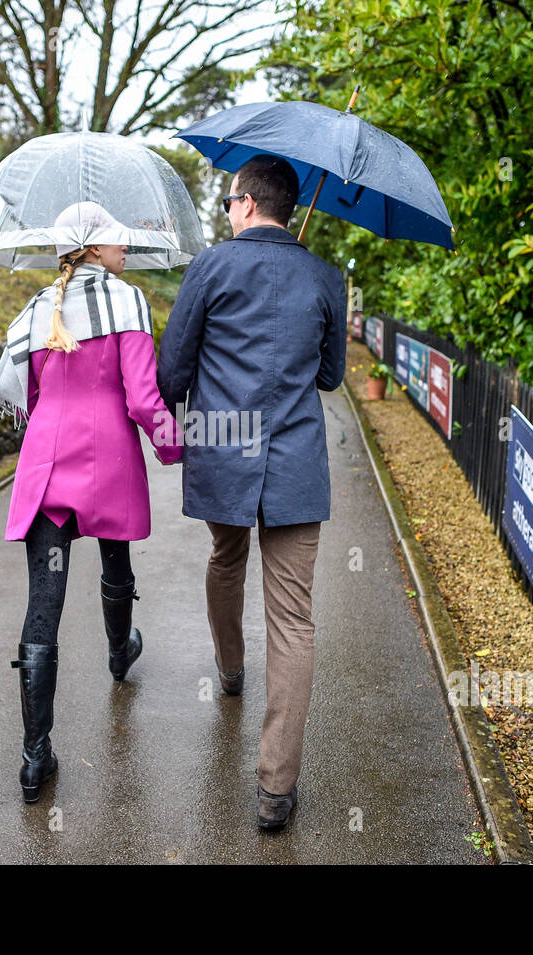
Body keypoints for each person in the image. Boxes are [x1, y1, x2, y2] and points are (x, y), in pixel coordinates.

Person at [156, 155, 346, 830]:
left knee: (225, 559)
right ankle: (275, 790)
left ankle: (230, 667)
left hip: (223, 455)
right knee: (294, 619)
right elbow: (329, 376)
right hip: (295, 465)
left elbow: (172, 365)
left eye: (229, 201)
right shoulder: (327, 276)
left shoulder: (210, 266)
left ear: (243, 204)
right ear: (288, 209)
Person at [0, 200, 182, 803]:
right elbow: (144, 399)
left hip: (46, 460)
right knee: (116, 560)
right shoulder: (127, 301)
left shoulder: (37, 310)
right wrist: (178, 450)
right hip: (109, 458)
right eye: (118, 241)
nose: (127, 249)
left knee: (45, 601)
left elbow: (30, 394)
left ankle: (34, 757)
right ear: (95, 247)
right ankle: (120, 653)